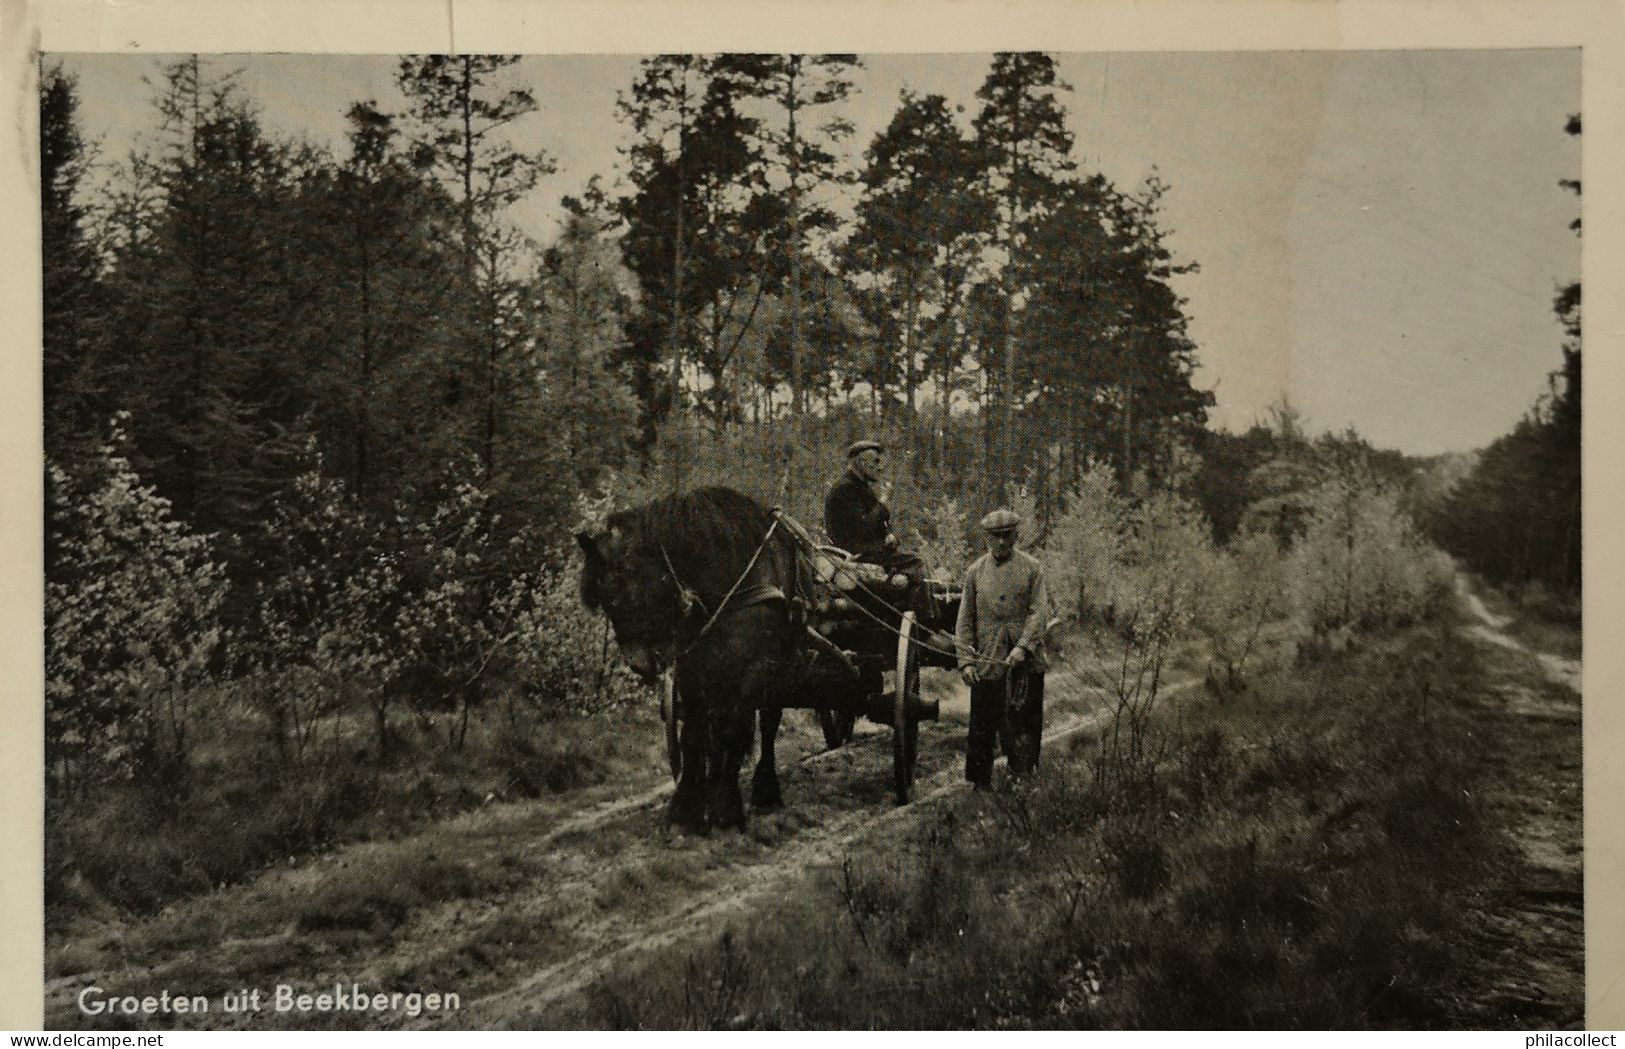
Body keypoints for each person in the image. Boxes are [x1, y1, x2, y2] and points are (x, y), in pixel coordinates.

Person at [955, 508, 1051, 790]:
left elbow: (1039, 612)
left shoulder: (1033, 568)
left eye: (1006, 537)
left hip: (1024, 662)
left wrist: (1023, 647)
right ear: (986, 538)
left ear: (1016, 536)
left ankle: (1022, 778)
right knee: (982, 724)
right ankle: (979, 783)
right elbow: (964, 621)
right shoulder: (974, 572)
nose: (1000, 543)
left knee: (1024, 721)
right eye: (994, 537)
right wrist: (966, 662)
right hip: (988, 660)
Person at [823, 439, 928, 587]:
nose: (880, 468)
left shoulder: (861, 487)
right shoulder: (844, 489)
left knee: (913, 567)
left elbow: (880, 523)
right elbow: (862, 528)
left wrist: (889, 535)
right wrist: (883, 502)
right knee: (916, 564)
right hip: (855, 554)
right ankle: (919, 609)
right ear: (861, 463)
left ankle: (908, 606)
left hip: (870, 551)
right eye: (876, 462)